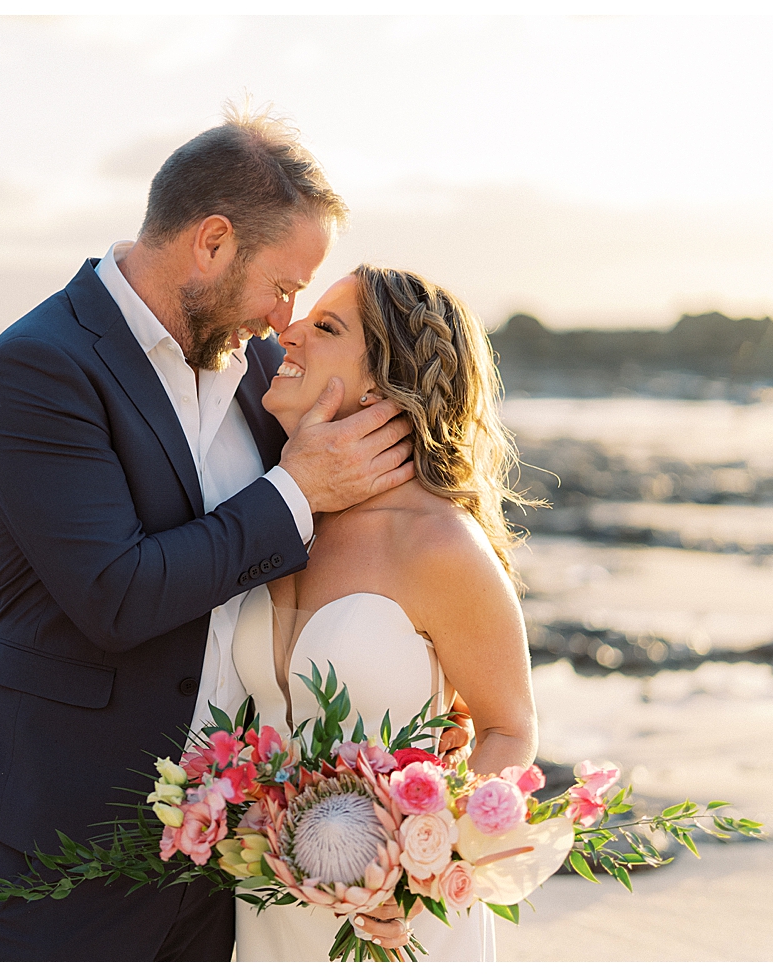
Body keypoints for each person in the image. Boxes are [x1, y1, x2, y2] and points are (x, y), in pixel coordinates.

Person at [0, 106, 419, 961]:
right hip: (71, 852)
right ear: (212, 243)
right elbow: (116, 593)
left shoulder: (264, 371)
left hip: (238, 860)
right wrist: (295, 492)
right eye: (284, 285)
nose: (288, 315)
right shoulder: (42, 365)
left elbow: (358, 525)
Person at [230, 265, 540, 961]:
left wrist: (426, 873)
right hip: (268, 904)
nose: (289, 330)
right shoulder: (272, 513)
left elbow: (508, 727)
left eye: (327, 327)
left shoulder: (436, 541)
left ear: (380, 386)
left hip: (395, 927)